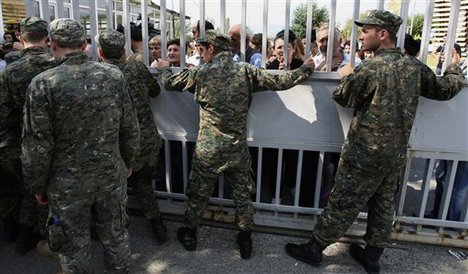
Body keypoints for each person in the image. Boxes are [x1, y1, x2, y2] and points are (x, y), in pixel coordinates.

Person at [285, 10, 465, 273]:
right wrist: (453, 69)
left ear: (383, 34)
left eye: (366, 31)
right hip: (394, 153)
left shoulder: (371, 67)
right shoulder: (413, 67)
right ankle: (373, 255)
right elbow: (444, 89)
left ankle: (314, 248)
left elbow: (344, 97)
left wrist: (347, 74)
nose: (361, 36)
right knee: (383, 203)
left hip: (365, 152)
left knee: (343, 200)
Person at [151, 29, 315, 259]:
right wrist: (306, 67)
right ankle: (245, 239)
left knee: (199, 193)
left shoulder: (202, 73)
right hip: (236, 148)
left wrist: (164, 67)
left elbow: (169, 82)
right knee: (242, 195)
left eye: (202, 48)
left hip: (209, 148)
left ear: (211, 49)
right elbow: (282, 80)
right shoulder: (245, 71)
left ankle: (189, 235)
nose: (200, 52)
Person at [22, 18, 139, 273]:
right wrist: (128, 162)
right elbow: (129, 127)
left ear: (51, 44)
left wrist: (38, 187)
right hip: (110, 174)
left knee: (73, 247)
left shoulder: (43, 83)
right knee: (116, 236)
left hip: (66, 184)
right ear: (85, 44)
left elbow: (37, 146)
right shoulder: (113, 75)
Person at [95, 29, 168, 244]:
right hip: (145, 139)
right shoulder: (136, 67)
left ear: (100, 53)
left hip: (116, 144)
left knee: (114, 189)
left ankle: (117, 231)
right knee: (144, 183)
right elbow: (155, 91)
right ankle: (157, 225)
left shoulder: (98, 75)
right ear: (124, 49)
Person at [0, 16, 55, 256]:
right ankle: (44, 236)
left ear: (21, 39)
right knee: (47, 192)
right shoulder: (58, 66)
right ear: (48, 39)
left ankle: (21, 234)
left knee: (25, 188)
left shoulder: (10, 72)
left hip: (19, 144)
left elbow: (4, 114)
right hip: (56, 144)